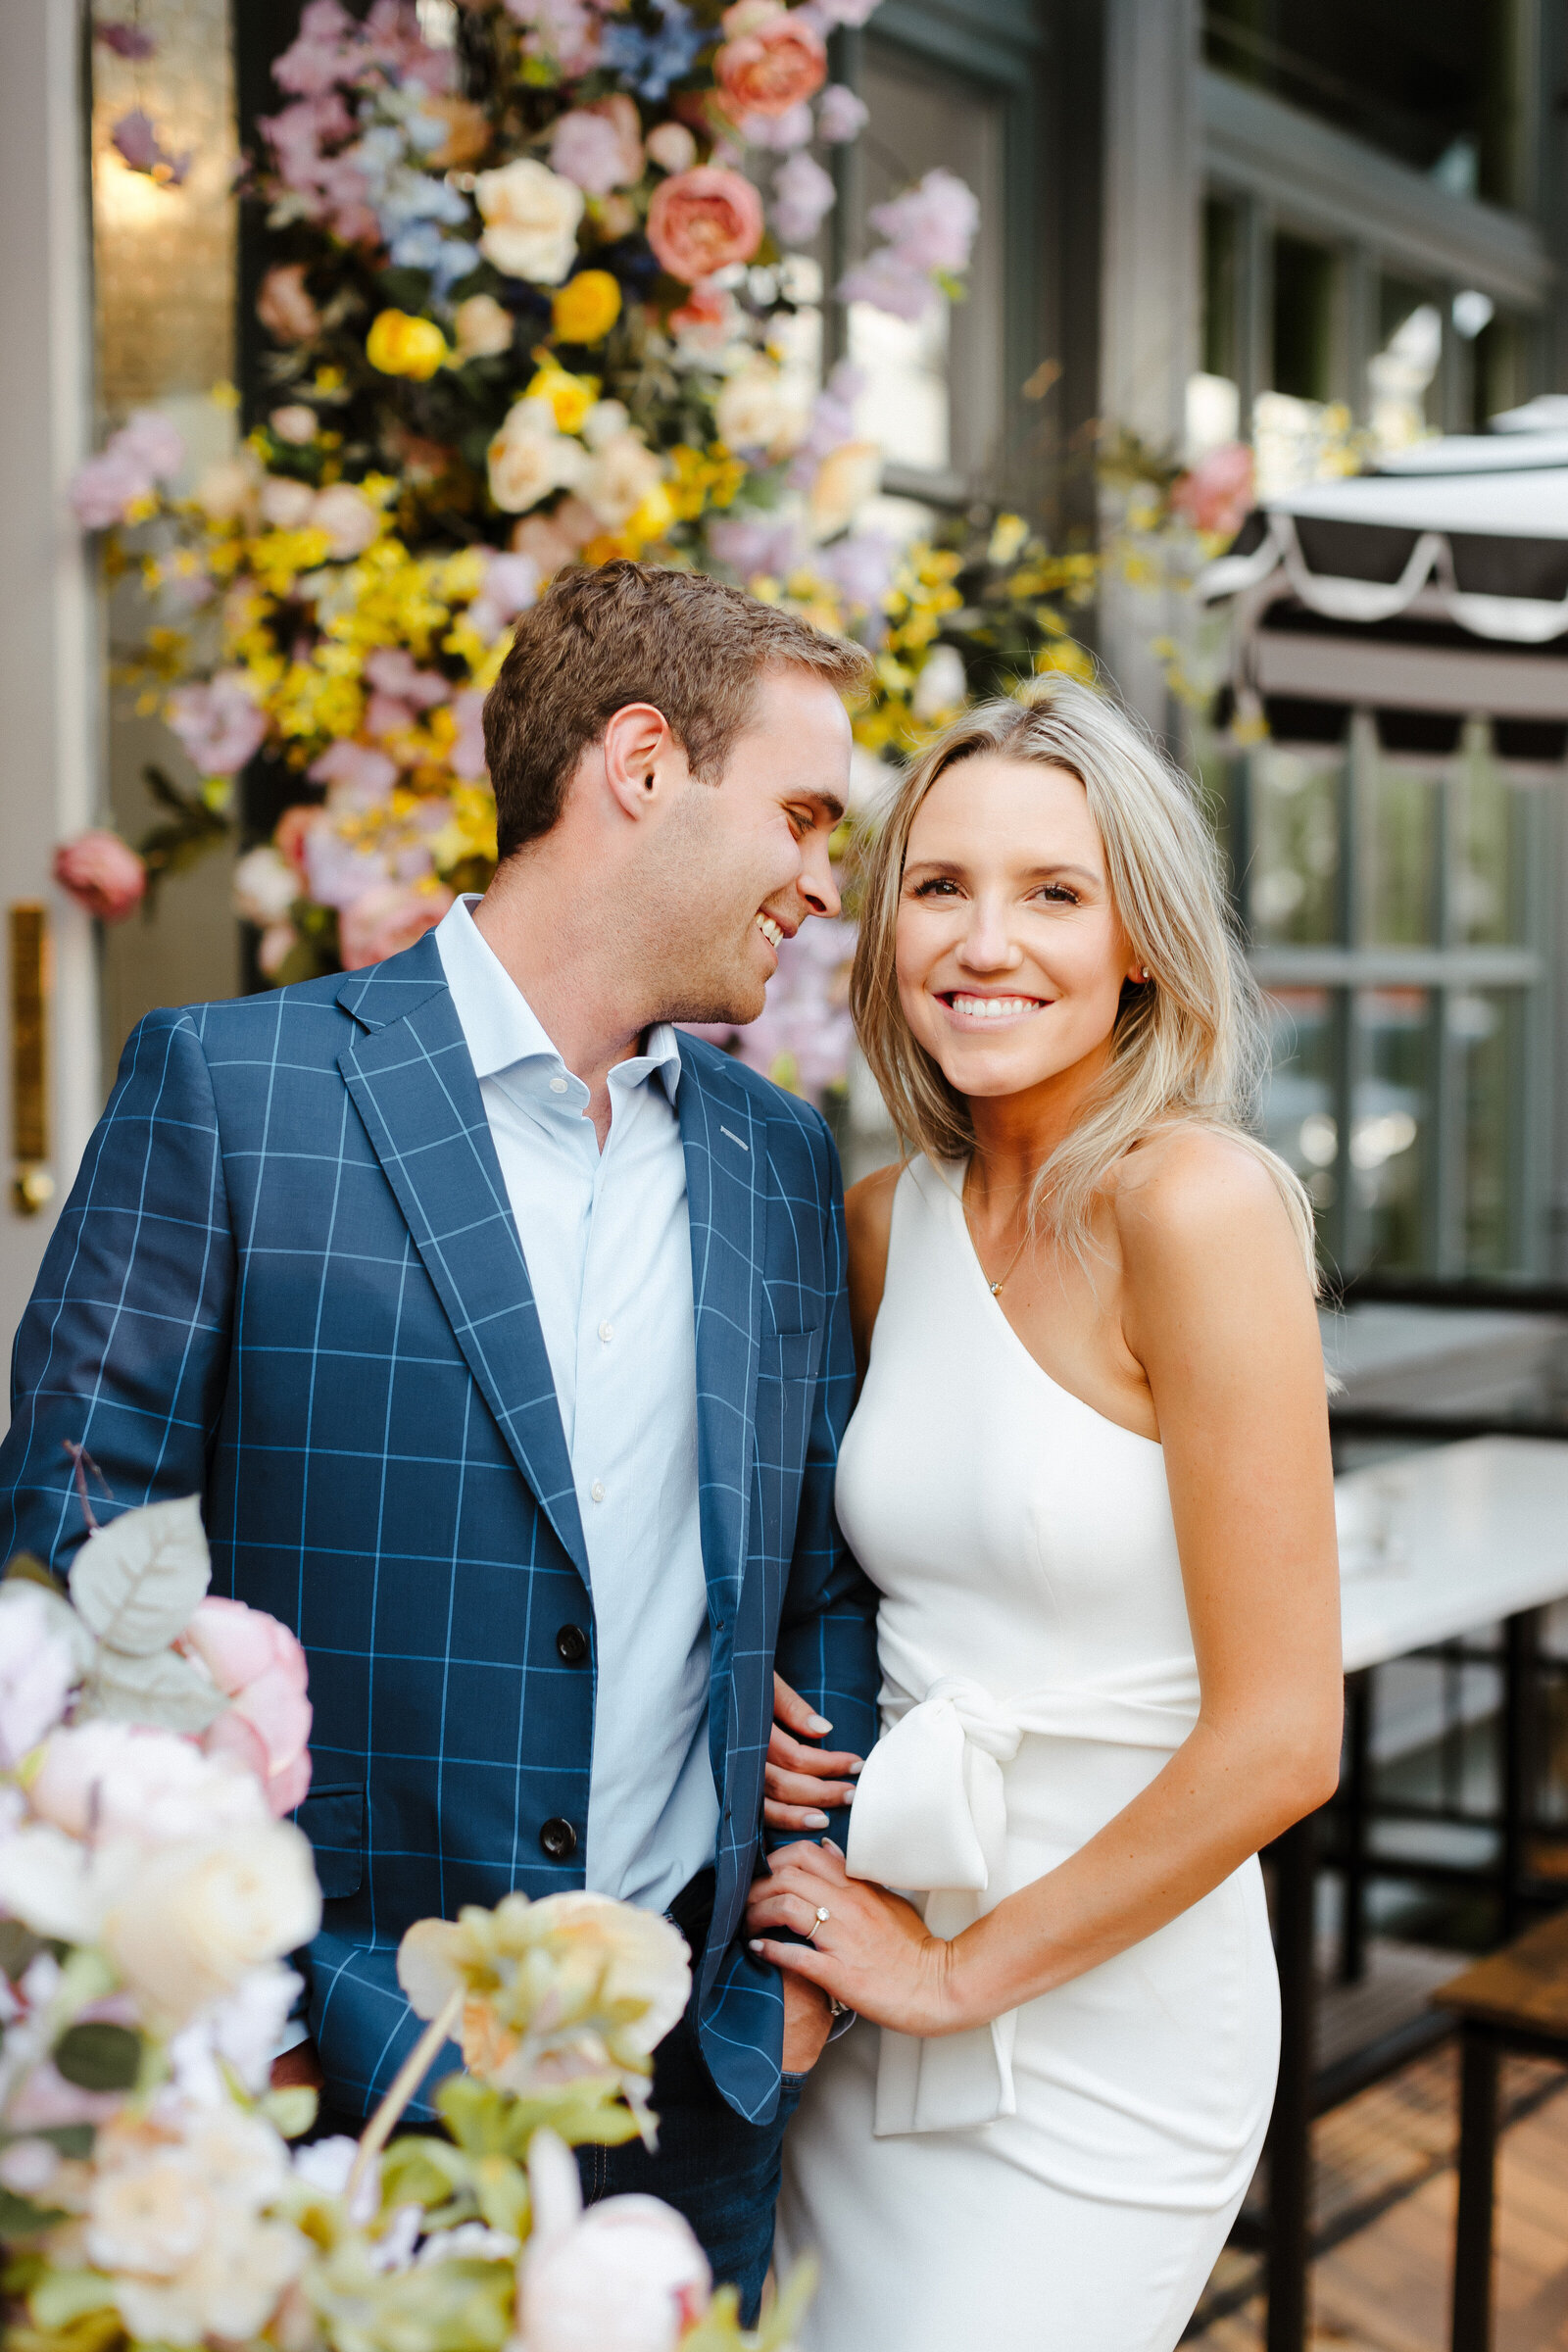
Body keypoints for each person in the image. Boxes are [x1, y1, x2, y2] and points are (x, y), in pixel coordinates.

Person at [0, 561, 881, 2317]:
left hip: (689, 2102)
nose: (820, 882)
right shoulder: (236, 1094)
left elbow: (823, 1580)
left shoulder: (779, 1162)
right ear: (640, 763)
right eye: (800, 815)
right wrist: (310, 2001)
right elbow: (67, 1578)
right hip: (330, 2099)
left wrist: (787, 1958)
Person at [755, 680, 1344, 2352]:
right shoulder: (884, 1220)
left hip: (1109, 2018)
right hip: (879, 1962)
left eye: (1054, 892)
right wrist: (806, 1724)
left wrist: (958, 1977)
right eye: (939, 886)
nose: (983, 940)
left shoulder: (1198, 1205)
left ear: (1140, 942)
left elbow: (1285, 1738)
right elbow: (884, 1577)